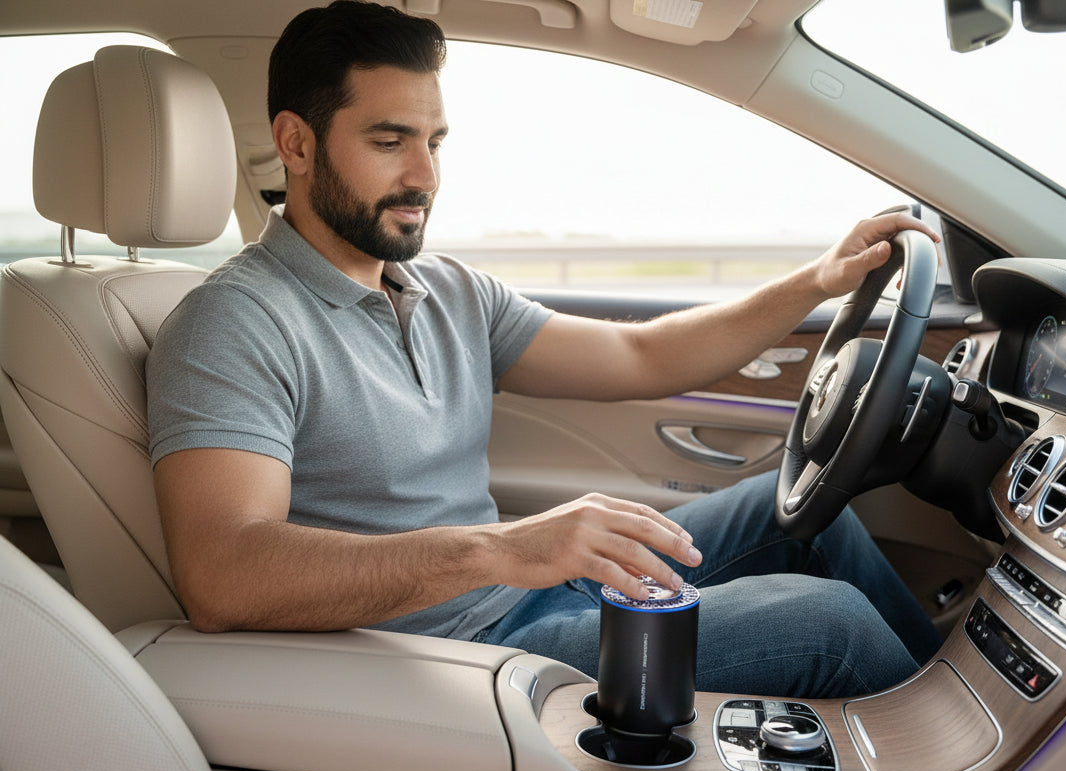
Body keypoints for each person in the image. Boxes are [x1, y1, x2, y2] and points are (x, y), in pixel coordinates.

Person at [147, 0, 943, 699]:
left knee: (807, 520)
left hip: (528, 594)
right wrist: (502, 548)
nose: (424, 175)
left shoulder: (449, 292)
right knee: (830, 625)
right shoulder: (233, 323)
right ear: (296, 143)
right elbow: (225, 573)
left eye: (434, 141)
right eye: (389, 140)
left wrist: (816, 282)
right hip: (444, 653)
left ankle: (978, 734)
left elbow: (643, 358)